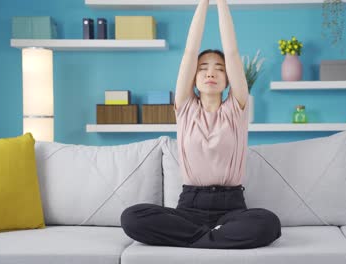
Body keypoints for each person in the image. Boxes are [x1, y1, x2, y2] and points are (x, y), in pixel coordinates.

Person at [120, 0, 282, 249]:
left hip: (232, 207)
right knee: (132, 217)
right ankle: (215, 238)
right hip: (189, 207)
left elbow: (233, 53)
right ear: (193, 78)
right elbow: (188, 51)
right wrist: (204, 3)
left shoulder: (236, 108)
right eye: (203, 68)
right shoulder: (184, 107)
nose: (210, 73)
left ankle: (195, 239)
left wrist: (221, 3)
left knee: (268, 223)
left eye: (219, 69)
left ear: (228, 80)